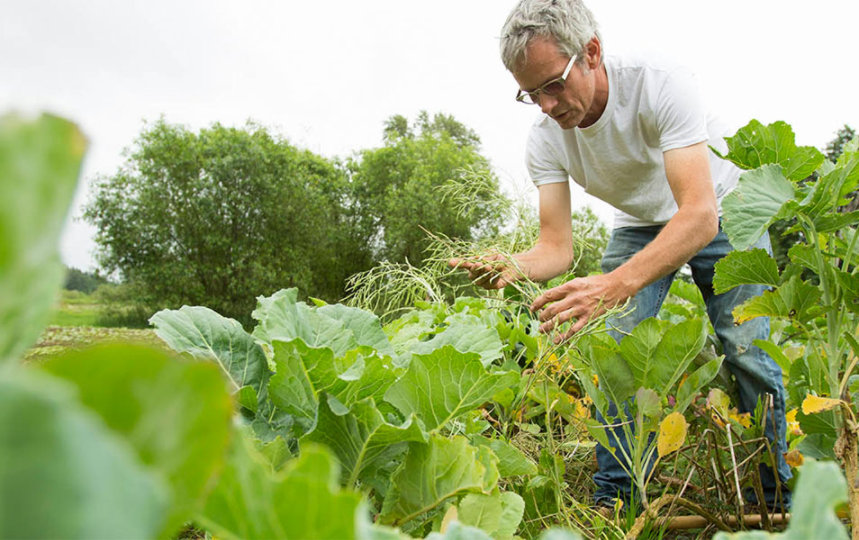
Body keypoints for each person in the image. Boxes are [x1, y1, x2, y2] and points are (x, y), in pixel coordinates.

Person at [450, 0, 791, 510]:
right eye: (529, 93)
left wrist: (615, 285)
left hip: (722, 206)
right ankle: (616, 500)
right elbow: (555, 248)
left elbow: (699, 216)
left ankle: (773, 496)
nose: (545, 105)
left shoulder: (659, 83)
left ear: (591, 53)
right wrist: (512, 265)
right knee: (615, 356)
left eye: (552, 85)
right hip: (639, 223)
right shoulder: (546, 139)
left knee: (747, 351)